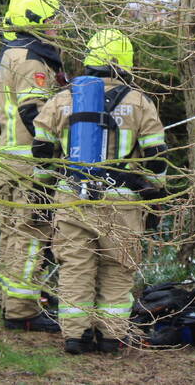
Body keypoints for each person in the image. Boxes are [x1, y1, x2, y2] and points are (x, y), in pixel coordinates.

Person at [32, 29, 169, 355]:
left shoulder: (63, 98)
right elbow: (157, 157)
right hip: (121, 202)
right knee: (117, 269)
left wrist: (43, 185)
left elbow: (41, 146)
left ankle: (74, 337)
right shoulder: (139, 102)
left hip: (72, 198)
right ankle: (111, 337)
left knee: (75, 269)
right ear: (125, 63)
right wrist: (156, 196)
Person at [0, 0, 64, 332]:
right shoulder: (32, 61)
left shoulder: (7, 57)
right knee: (33, 232)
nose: (56, 26)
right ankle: (23, 311)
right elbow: (35, 112)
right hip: (29, 166)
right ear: (33, 22)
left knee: (12, 234)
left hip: (5, 163)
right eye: (51, 20)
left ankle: (11, 302)